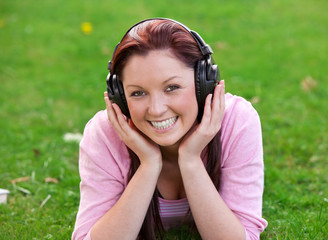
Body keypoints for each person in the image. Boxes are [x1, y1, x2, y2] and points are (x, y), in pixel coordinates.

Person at [72, 18, 267, 240]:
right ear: (120, 96)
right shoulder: (106, 133)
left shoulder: (236, 121)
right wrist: (148, 163)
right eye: (137, 93)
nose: (156, 110)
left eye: (171, 87)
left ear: (203, 83)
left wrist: (191, 159)